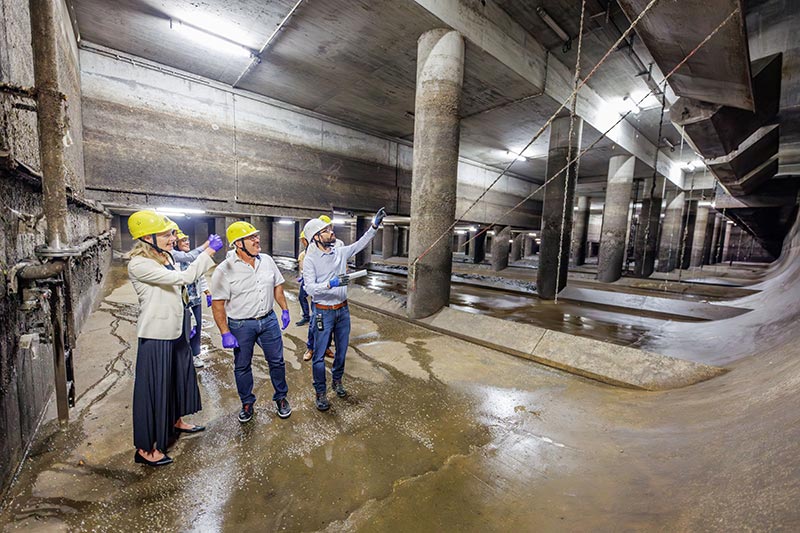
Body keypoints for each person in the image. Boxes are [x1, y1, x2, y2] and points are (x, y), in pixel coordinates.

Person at [127, 210, 223, 466]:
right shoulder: (139, 264)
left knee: (178, 379)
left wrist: (189, 322)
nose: (172, 238)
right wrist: (208, 252)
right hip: (156, 335)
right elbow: (183, 278)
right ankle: (146, 449)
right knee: (154, 389)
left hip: (177, 328)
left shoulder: (163, 256)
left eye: (171, 233)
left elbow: (179, 292)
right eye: (167, 234)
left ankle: (175, 421)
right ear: (148, 237)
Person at [302, 207, 386, 411]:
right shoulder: (310, 260)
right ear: (317, 237)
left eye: (331, 229)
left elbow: (360, 244)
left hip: (342, 311)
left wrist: (374, 226)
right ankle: (320, 392)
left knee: (341, 351)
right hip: (322, 311)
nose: (332, 233)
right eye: (327, 231)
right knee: (319, 355)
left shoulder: (340, 252)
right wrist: (329, 284)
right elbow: (309, 288)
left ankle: (337, 381)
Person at [210, 221, 292, 423]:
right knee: (242, 366)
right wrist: (225, 332)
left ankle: (281, 398)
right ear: (238, 244)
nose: (257, 240)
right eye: (251, 237)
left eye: (256, 235)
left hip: (268, 321)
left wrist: (284, 309)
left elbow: (278, 286)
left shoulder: (267, 261)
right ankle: (247, 403)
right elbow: (218, 304)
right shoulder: (224, 270)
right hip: (241, 325)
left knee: (277, 362)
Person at [175, 230, 212, 368]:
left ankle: (195, 355)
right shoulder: (174, 261)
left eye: (187, 240)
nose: (187, 242)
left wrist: (207, 292)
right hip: (183, 302)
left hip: (196, 299)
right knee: (184, 329)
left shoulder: (193, 258)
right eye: (183, 241)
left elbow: (200, 276)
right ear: (176, 244)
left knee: (197, 327)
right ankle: (182, 355)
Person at [296, 231, 311, 327]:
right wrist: (302, 276)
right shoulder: (303, 254)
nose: (302, 241)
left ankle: (312, 317)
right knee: (302, 296)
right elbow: (302, 267)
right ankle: (306, 316)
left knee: (315, 299)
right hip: (306, 278)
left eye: (302, 240)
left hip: (313, 279)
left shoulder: (314, 251)